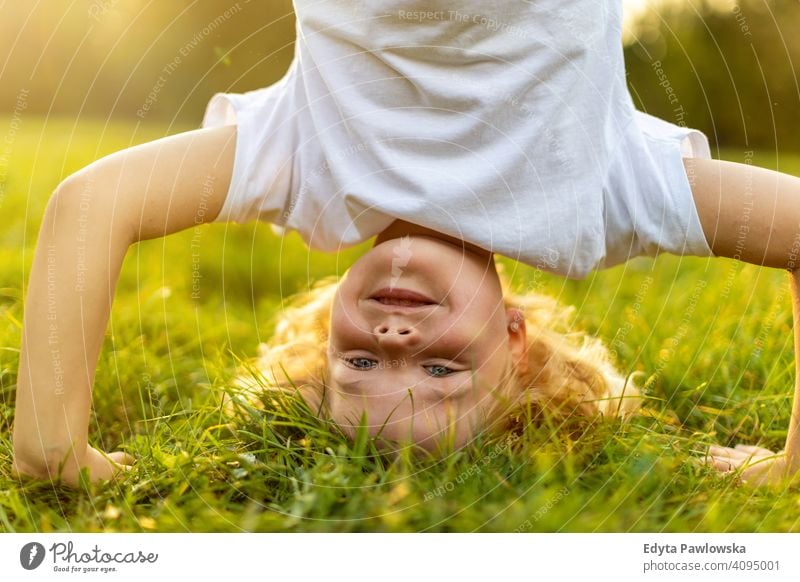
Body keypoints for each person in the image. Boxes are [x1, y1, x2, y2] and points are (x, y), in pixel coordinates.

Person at [11, 0, 800, 488]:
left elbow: (89, 205)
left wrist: (52, 449)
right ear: (516, 345)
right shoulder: (598, 198)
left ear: (326, 338)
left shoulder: (305, 167)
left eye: (358, 365)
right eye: (438, 369)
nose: (393, 339)